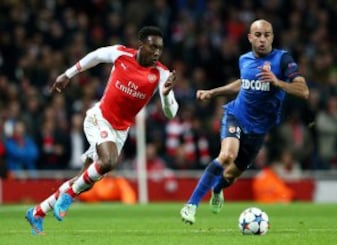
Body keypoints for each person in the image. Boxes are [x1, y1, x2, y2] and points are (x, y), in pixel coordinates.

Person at [25, 26, 179, 235]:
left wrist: (168, 95)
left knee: (84, 181)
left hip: (120, 131)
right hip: (99, 118)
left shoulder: (161, 73)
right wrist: (67, 74)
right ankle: (69, 195)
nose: (157, 53)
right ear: (141, 45)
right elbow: (95, 56)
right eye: (153, 47)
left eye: (160, 48)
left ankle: (37, 212)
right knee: (108, 161)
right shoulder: (121, 54)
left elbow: (171, 113)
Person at [180, 19, 309, 224]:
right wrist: (213, 93)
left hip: (258, 131)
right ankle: (191, 205)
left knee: (230, 176)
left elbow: (303, 91)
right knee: (226, 156)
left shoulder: (283, 60)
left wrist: (278, 82)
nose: (262, 40)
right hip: (236, 116)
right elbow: (243, 83)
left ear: (272, 37)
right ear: (250, 37)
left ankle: (218, 189)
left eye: (267, 35)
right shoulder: (244, 60)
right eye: (258, 35)